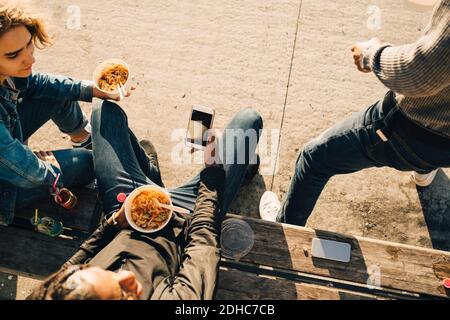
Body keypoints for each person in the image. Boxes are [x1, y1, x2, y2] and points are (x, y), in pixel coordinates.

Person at [27, 100, 263, 300]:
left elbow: (71, 267)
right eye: (123, 293)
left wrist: (112, 223)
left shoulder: (61, 291)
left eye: (109, 272)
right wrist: (213, 171)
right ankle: (239, 170)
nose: (128, 275)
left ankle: (151, 173)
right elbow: (202, 241)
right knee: (248, 122)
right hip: (185, 222)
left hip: (126, 214)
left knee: (105, 112)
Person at [259, 0, 449, 226]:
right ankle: (424, 169)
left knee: (314, 158)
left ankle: (286, 226)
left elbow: (419, 73)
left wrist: (372, 53)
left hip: (408, 130)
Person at [0, 3, 125, 225]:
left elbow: (39, 84)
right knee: (88, 163)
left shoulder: (8, 75)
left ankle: (84, 140)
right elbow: (25, 171)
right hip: (6, 190)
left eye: (29, 44)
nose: (30, 59)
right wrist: (52, 170)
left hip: (10, 150)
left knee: (61, 93)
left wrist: (91, 89)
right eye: (13, 55)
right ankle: (89, 163)